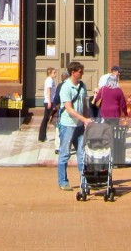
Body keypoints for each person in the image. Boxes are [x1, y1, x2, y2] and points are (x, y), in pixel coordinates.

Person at [57, 61, 93, 191]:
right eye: (80, 71)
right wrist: (84, 119)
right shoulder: (65, 87)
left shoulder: (82, 86)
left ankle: (84, 181)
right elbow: (69, 108)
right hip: (68, 126)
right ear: (73, 73)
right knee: (64, 153)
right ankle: (63, 181)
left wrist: (87, 119)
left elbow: (84, 104)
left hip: (79, 127)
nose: (82, 73)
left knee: (82, 155)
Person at [38, 67, 58, 142]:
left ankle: (42, 136)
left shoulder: (51, 80)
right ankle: (42, 137)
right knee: (46, 118)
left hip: (51, 101)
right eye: (54, 72)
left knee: (47, 118)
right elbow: (48, 91)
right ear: (50, 73)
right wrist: (49, 101)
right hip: (49, 101)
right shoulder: (49, 80)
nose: (55, 74)